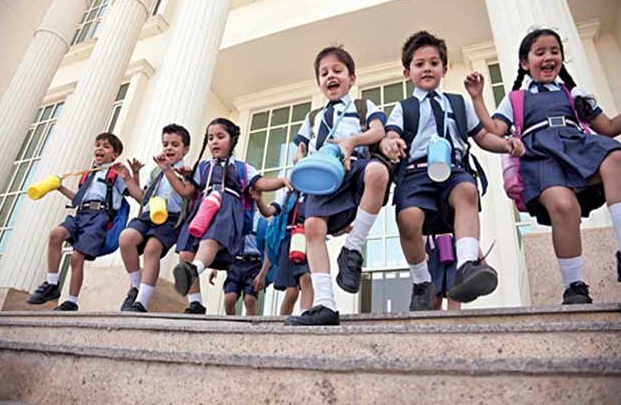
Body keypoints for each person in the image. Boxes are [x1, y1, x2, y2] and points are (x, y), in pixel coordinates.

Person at [465, 28, 621, 304]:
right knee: (563, 206)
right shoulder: (516, 98)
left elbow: (607, 127)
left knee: (616, 158)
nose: (549, 57)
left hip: (576, 144)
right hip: (540, 154)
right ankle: (574, 286)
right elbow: (495, 129)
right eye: (540, 52)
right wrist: (478, 97)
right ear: (525, 63)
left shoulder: (573, 94)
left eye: (554, 51)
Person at [379, 31, 524, 310]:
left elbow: (482, 136)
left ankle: (467, 264)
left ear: (444, 69)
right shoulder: (403, 108)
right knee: (408, 219)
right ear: (407, 73)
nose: (427, 68)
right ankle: (422, 282)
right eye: (419, 64)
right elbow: (391, 133)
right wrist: (390, 142)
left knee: (467, 190)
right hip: (417, 172)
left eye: (434, 63)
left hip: (453, 169)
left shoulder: (458, 103)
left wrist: (505, 144)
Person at [286, 45, 389, 326]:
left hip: (353, 166)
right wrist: (299, 159)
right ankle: (325, 304)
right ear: (319, 82)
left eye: (337, 70)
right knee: (312, 227)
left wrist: (352, 142)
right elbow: (300, 148)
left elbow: (378, 130)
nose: (330, 76)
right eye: (324, 73)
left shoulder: (362, 106)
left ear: (351, 79)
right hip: (323, 173)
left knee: (378, 172)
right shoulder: (312, 117)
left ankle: (352, 248)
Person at [171, 118, 290, 312]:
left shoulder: (242, 167)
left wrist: (281, 181)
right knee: (185, 252)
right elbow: (187, 191)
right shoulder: (202, 167)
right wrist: (170, 171)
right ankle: (195, 302)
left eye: (220, 136)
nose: (214, 142)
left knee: (211, 240)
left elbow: (261, 183)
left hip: (227, 207)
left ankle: (195, 269)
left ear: (232, 140)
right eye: (210, 138)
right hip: (203, 206)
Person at [26, 133, 128, 311]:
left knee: (76, 257)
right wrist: (60, 187)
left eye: (106, 146)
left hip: (99, 217)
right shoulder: (87, 175)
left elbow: (131, 189)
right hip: (81, 214)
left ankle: (71, 301)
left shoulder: (116, 174)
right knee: (56, 235)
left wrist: (132, 175)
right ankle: (52, 284)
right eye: (98, 145)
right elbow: (78, 200)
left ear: (115, 154)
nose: (99, 148)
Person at [116, 124, 194, 313]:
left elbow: (187, 194)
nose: (168, 148)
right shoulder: (155, 172)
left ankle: (141, 302)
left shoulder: (187, 172)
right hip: (148, 215)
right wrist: (127, 178)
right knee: (126, 238)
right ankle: (135, 287)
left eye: (175, 144)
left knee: (152, 249)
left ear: (185, 149)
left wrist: (170, 171)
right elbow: (143, 198)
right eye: (165, 144)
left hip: (171, 219)